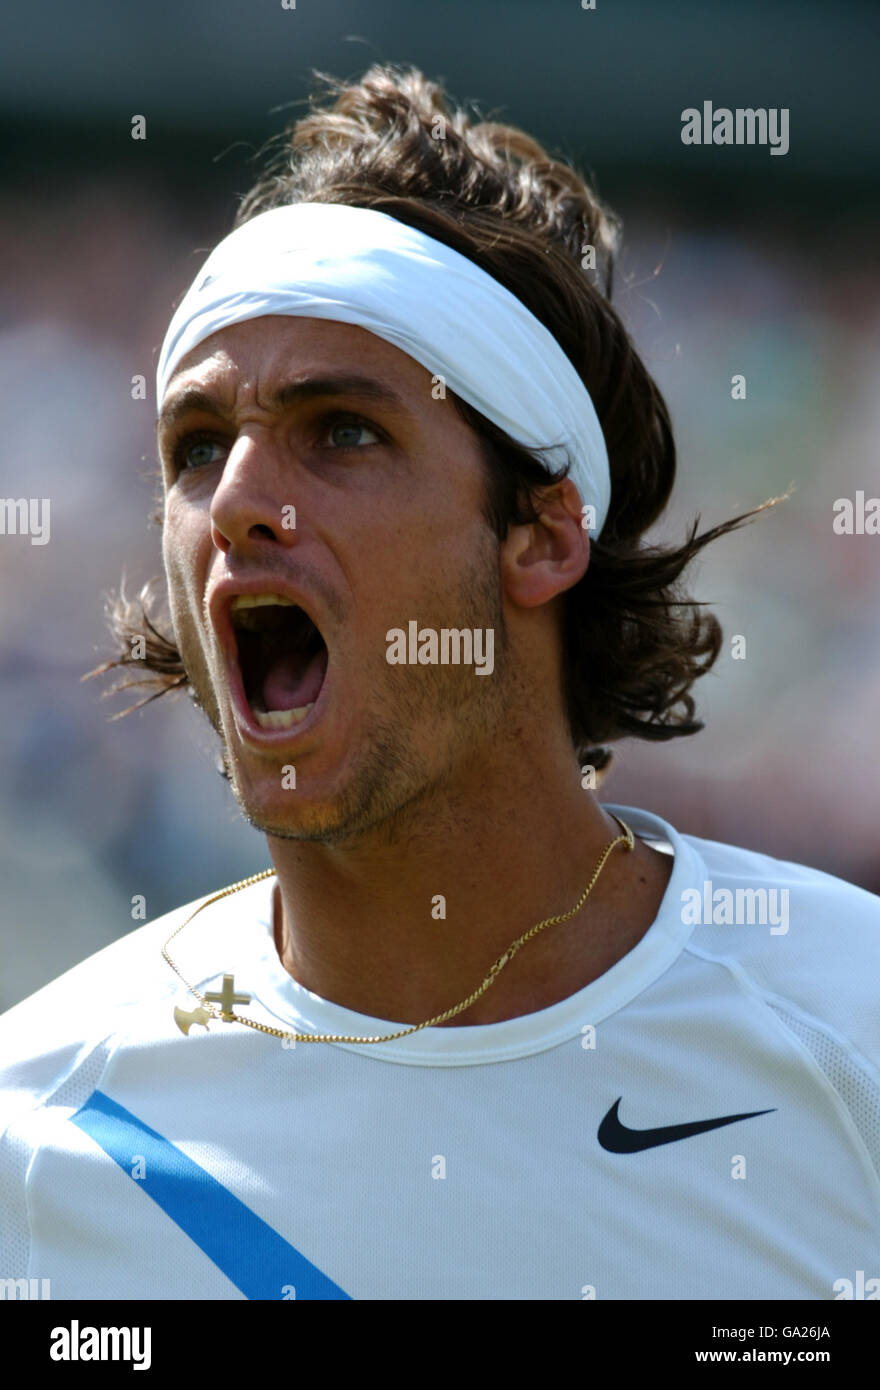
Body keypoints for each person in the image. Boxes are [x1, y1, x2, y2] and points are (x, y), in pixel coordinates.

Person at [1, 63, 877, 1302]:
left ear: (540, 534)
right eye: (197, 447)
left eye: (341, 429)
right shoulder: (34, 1137)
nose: (238, 502)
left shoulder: (853, 1035)